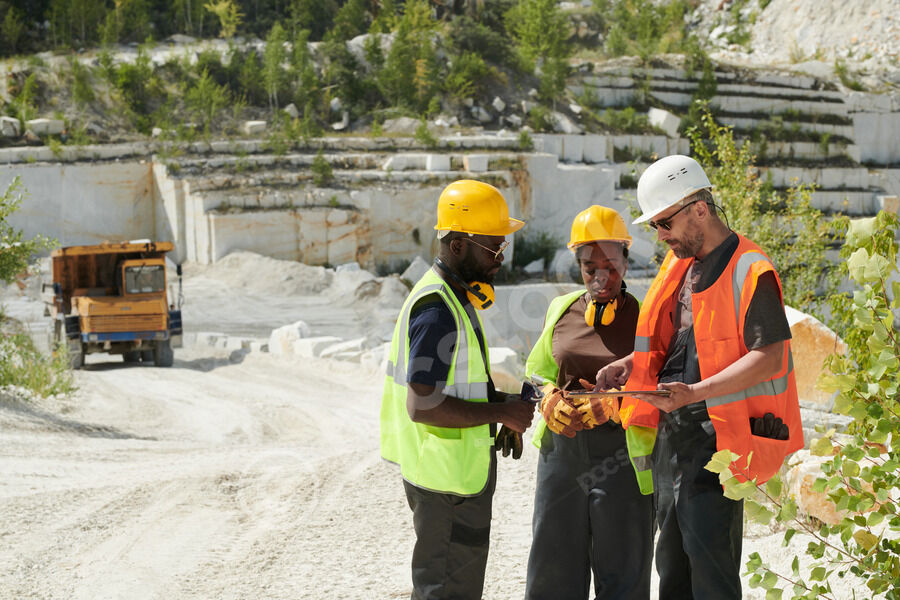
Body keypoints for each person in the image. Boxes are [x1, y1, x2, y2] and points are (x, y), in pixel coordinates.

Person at [596, 155, 804, 600]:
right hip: (674, 436)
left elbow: (770, 358)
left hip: (720, 441)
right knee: (672, 567)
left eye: (665, 223)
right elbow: (683, 342)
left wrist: (694, 393)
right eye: (655, 225)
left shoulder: (750, 269)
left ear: (699, 209)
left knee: (711, 572)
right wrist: (629, 365)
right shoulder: (681, 265)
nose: (660, 235)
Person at [380, 179, 537, 600]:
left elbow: (456, 384)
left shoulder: (454, 298)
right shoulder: (436, 310)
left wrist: (502, 404)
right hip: (445, 483)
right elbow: (422, 405)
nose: (500, 259)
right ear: (458, 245)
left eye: (503, 248)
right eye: (493, 249)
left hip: (451, 478)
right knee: (445, 591)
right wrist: (500, 413)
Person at [524, 205, 654, 599]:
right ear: (578, 265)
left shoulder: (647, 319)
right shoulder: (560, 309)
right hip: (561, 457)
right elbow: (536, 371)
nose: (601, 277)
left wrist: (617, 404)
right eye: (589, 266)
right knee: (552, 572)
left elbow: (664, 386)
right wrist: (547, 399)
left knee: (624, 575)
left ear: (626, 262)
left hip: (622, 459)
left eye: (611, 266)